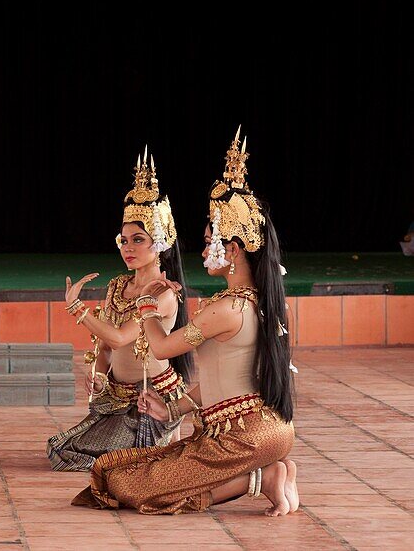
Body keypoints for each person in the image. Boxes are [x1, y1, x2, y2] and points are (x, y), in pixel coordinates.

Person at [74, 129, 300, 517]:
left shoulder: (227, 308)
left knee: (130, 485)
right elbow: (220, 377)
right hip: (245, 429)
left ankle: (261, 479)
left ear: (231, 250)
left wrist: (146, 306)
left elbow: (161, 348)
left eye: (210, 240)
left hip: (244, 437)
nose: (203, 248)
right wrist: (174, 410)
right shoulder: (254, 302)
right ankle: (267, 474)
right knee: (119, 468)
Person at [48, 150, 193, 470]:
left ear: (161, 243)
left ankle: (163, 436)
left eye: (138, 240)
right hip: (118, 397)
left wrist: (77, 309)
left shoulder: (164, 295)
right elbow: (104, 348)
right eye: (124, 240)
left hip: (150, 400)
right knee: (62, 450)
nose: (128, 248)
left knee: (90, 460)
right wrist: (99, 375)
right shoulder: (117, 285)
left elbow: (118, 337)